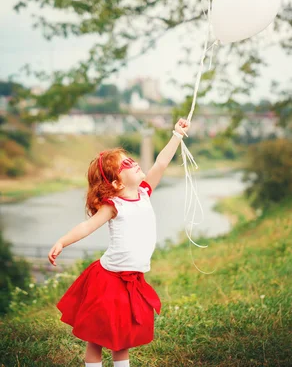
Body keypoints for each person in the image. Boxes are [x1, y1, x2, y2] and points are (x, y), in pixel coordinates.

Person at [48, 118, 190, 367]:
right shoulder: (115, 205)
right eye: (126, 164)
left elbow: (162, 162)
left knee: (121, 339)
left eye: (131, 159)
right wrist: (62, 241)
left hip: (132, 281)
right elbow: (87, 226)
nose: (134, 163)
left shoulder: (145, 193)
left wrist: (176, 135)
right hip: (108, 280)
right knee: (97, 338)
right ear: (117, 183)